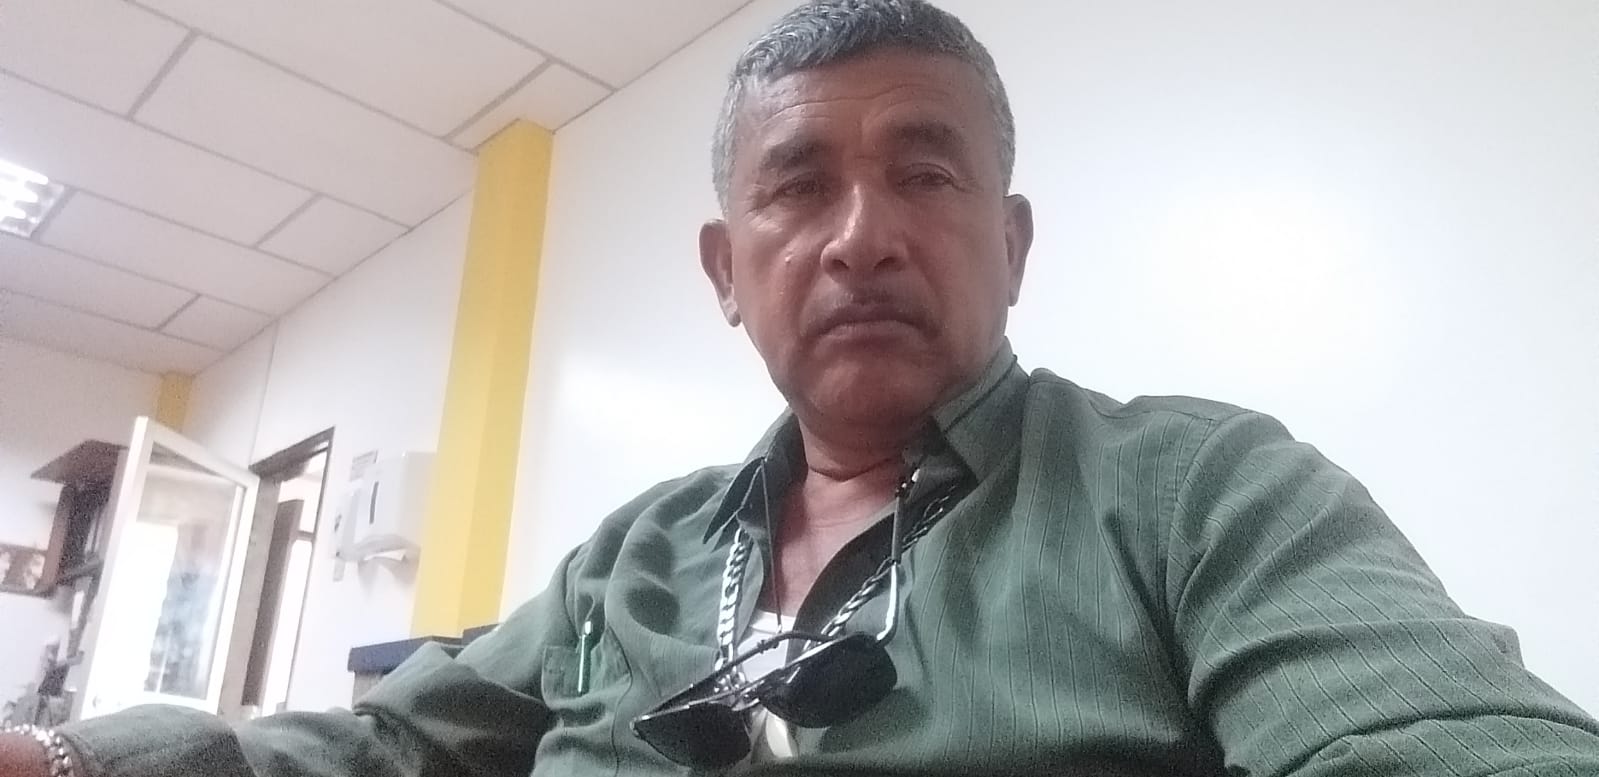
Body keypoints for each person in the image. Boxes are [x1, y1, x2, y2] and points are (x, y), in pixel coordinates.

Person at [5, 1, 1597, 775]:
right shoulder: (633, 557)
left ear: (1012, 243)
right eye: (798, 186)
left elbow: (1451, 742)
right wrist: (69, 757)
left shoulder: (1198, 491)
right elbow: (394, 748)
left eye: (926, 173)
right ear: (726, 267)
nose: (860, 236)